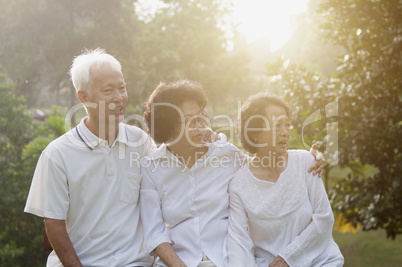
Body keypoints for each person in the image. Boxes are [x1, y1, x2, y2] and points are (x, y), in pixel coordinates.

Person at [139, 80, 326, 267]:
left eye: (201, 116)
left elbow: (262, 163)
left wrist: (308, 158)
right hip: (178, 261)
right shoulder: (152, 167)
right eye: (191, 120)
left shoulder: (225, 154)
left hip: (225, 260)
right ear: (168, 127)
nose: (201, 125)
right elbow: (155, 233)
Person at [24, 49, 156, 266]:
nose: (119, 97)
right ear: (83, 97)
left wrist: (205, 140)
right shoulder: (58, 153)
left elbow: (170, 178)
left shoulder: (140, 141)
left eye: (122, 87)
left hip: (135, 262)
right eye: (108, 90)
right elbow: (54, 225)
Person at [227, 93, 344, 267]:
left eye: (287, 125)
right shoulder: (238, 185)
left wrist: (287, 259)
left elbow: (324, 218)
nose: (285, 133)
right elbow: (239, 243)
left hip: (322, 262)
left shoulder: (306, 162)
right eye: (277, 126)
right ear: (254, 134)